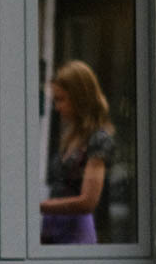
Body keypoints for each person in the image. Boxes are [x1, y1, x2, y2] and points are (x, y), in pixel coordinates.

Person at [40, 58, 113, 245]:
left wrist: (41, 206)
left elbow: (88, 201)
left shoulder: (98, 139)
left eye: (61, 99)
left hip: (75, 234)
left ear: (80, 98)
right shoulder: (70, 136)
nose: (57, 107)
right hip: (52, 227)